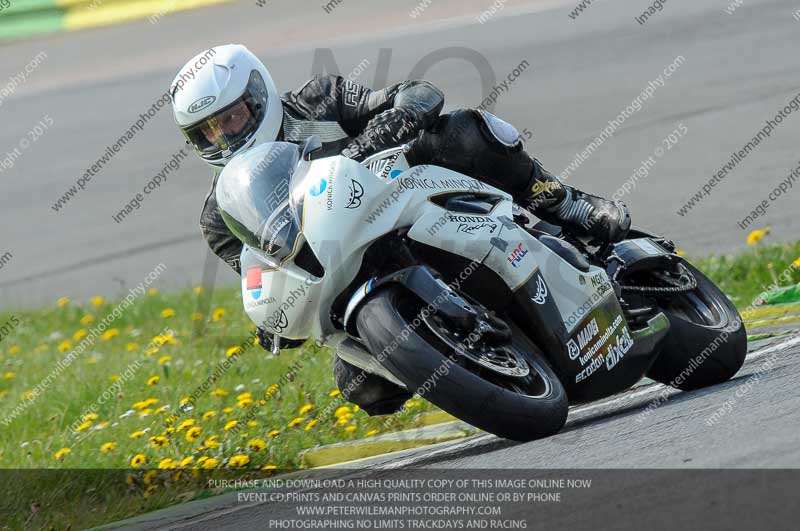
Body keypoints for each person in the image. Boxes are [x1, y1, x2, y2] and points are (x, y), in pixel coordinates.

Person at [171, 44, 631, 415]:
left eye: (230, 118)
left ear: (258, 97)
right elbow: (264, 272)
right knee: (361, 387)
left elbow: (418, 93)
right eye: (206, 133)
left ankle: (566, 203)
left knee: (463, 131)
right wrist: (274, 321)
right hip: (347, 276)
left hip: (405, 197)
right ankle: (472, 368)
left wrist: (395, 120)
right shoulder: (220, 217)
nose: (224, 137)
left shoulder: (317, 100)